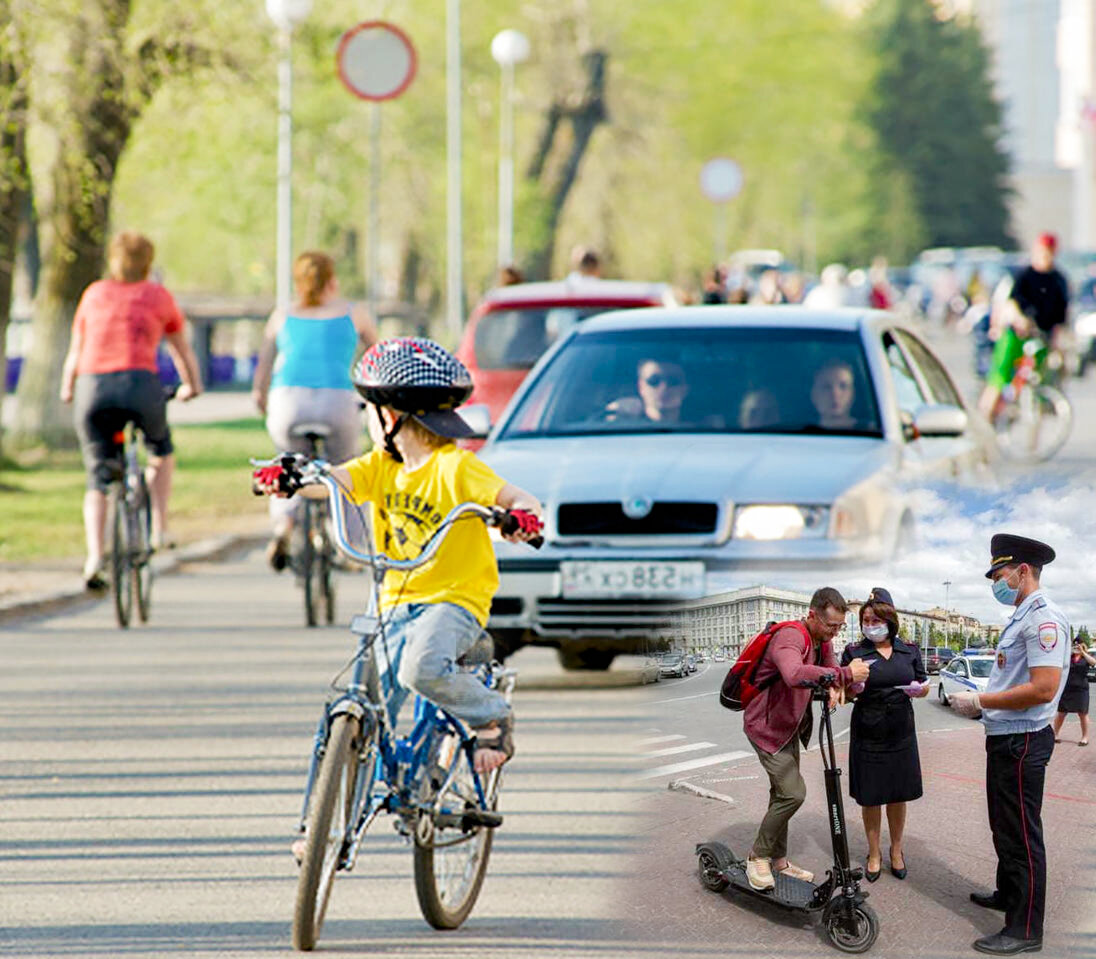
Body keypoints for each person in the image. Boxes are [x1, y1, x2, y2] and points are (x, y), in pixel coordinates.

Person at [253, 337, 543, 775]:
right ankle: (325, 828)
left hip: (452, 600)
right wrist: (290, 480)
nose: (365, 418)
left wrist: (521, 517)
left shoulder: (457, 468)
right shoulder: (378, 466)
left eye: (365, 409)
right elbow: (332, 481)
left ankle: (491, 714)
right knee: (364, 707)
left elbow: (520, 497)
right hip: (391, 602)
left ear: (388, 416)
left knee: (420, 669)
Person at [59, 231, 203, 591]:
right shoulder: (157, 296)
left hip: (94, 388)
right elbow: (180, 349)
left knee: (98, 479)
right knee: (160, 451)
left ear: (113, 260)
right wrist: (192, 387)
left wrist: (67, 388)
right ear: (148, 263)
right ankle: (159, 526)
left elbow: (77, 350)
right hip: (141, 386)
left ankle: (95, 557)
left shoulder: (94, 294)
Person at [949, 534, 1070, 956]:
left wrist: (979, 700)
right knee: (1004, 825)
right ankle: (1008, 893)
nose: (995, 583)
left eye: (999, 574)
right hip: (1006, 738)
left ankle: (1024, 927)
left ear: (1022, 571)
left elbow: (1042, 689)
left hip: (1022, 741)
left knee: (1020, 833)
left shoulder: (1043, 619)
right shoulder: (1022, 616)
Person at [251, 251, 377, 570]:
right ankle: (348, 542)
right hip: (338, 401)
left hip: (288, 402)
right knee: (348, 469)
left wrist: (260, 397)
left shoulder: (282, 315)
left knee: (287, 464)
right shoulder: (354, 313)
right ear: (332, 280)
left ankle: (283, 526)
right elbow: (378, 358)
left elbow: (264, 365)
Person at [743, 587, 870, 891]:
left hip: (788, 727)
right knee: (792, 794)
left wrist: (846, 688)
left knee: (781, 795)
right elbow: (793, 673)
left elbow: (828, 675)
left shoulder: (820, 640)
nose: (835, 632)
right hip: (767, 729)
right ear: (813, 615)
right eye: (831, 626)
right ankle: (756, 856)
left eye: (840, 627)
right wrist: (844, 675)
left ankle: (779, 861)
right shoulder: (791, 636)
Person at [839, 587, 929, 883]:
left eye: (876, 618)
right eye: (866, 619)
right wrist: (852, 689)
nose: (870, 624)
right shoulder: (854, 652)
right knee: (871, 797)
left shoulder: (910, 650)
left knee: (898, 795)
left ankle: (897, 851)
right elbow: (841, 692)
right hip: (868, 731)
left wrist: (920, 690)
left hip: (901, 731)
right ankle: (874, 852)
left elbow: (924, 683)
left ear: (890, 620)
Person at [978, 234, 1070, 418]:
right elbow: (1011, 303)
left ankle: (1038, 407)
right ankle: (985, 414)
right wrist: (1020, 320)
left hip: (1042, 335)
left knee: (1045, 374)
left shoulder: (1058, 280)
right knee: (1000, 375)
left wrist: (1059, 340)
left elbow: (1061, 315)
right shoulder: (1024, 276)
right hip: (1017, 334)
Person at [1052, 639, 1094, 746]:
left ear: (1082, 646)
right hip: (1067, 688)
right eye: (1074, 646)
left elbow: (1093, 662)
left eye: (1078, 645)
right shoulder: (1068, 658)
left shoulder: (1086, 658)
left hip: (1081, 689)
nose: (1076, 647)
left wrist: (1083, 652)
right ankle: (1055, 734)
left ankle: (1084, 737)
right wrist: (1068, 653)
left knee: (1083, 713)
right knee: (1061, 713)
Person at [810, 358, 857, 429]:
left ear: (853, 394)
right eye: (827, 387)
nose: (835, 394)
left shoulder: (872, 434)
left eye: (843, 386)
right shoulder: (799, 437)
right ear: (814, 395)